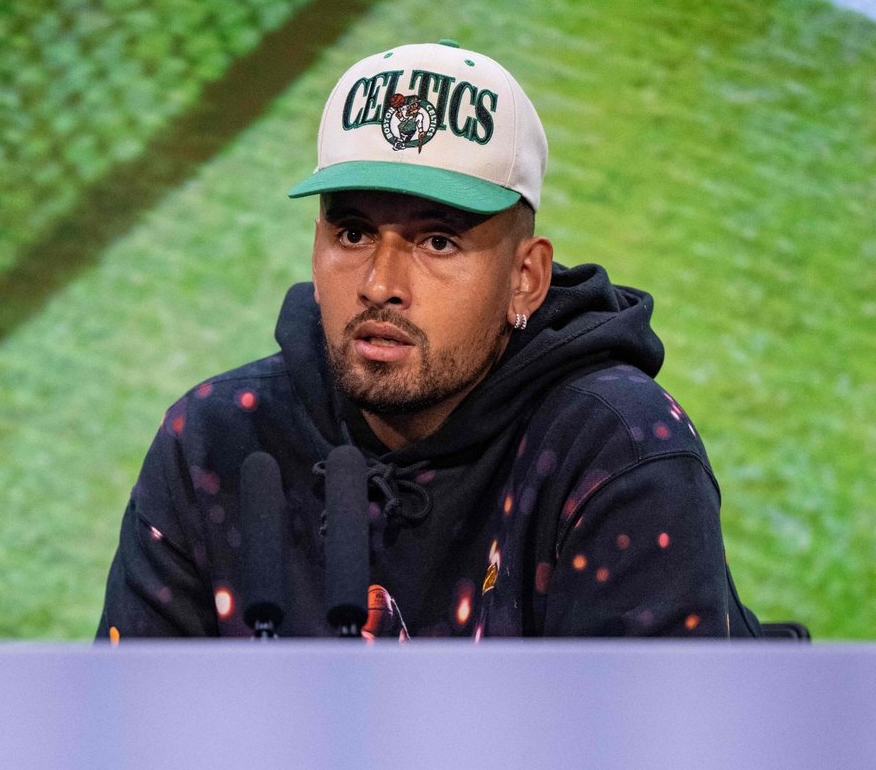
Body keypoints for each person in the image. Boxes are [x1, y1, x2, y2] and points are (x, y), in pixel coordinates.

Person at [97, 39, 763, 640]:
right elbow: (128, 734)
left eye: (438, 241)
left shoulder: (616, 450)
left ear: (525, 279)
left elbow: (658, 758)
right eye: (353, 233)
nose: (381, 284)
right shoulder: (218, 440)